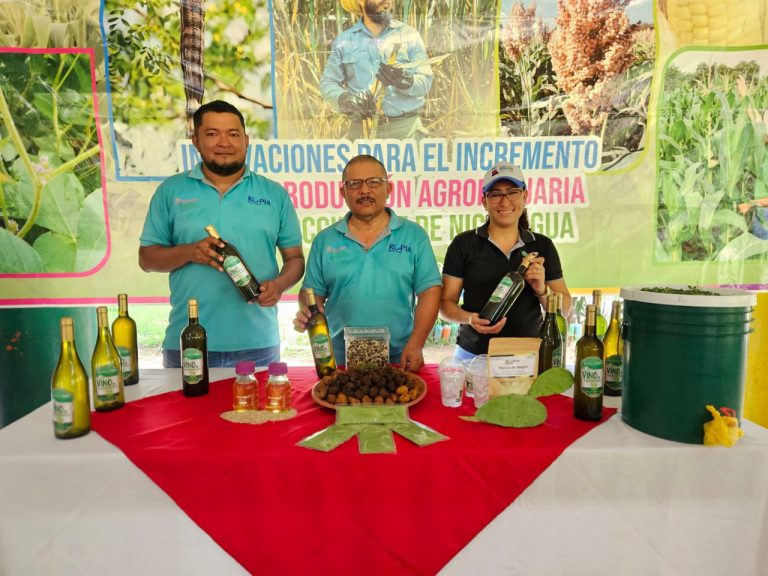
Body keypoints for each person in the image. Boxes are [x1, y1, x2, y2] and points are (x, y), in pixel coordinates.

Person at [139, 100, 305, 368]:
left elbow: (295, 259)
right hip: (188, 343)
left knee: (261, 411)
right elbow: (147, 259)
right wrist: (191, 252)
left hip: (258, 343)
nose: (224, 142)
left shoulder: (274, 194)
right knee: (186, 413)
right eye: (212, 134)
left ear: (247, 140)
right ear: (195, 140)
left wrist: (279, 285)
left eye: (233, 134)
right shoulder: (171, 191)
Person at [294, 154, 442, 371]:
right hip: (339, 361)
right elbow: (311, 291)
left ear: (388, 189)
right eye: (354, 184)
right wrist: (308, 309)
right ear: (343, 192)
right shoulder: (325, 240)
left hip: (399, 357)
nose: (364, 191)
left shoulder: (414, 236)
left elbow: (430, 290)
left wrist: (417, 344)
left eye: (374, 182)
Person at [439, 161, 571, 362]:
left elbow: (566, 308)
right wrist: (469, 319)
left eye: (512, 192)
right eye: (495, 194)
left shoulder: (542, 246)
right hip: (473, 356)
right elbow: (445, 306)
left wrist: (542, 290)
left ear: (525, 195)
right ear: (484, 200)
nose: (504, 201)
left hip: (529, 356)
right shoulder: (464, 244)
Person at [319, 0, 433, 140]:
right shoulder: (344, 41)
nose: (388, 2)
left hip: (407, 132)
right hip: (362, 132)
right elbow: (328, 82)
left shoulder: (409, 35)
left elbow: (426, 80)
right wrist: (345, 100)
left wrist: (406, 81)